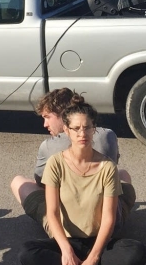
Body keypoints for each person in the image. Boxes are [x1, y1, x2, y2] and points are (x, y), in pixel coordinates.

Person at [18, 100, 146, 265]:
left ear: (94, 129)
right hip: (67, 240)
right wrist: (67, 252)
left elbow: (109, 219)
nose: (82, 134)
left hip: (99, 242)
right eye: (76, 128)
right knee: (26, 252)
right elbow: (52, 214)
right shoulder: (56, 163)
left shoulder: (107, 167)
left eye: (87, 127)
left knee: (137, 252)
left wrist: (94, 258)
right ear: (66, 130)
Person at [11, 88, 134, 230]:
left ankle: (57, 226)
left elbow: (41, 182)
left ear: (63, 115)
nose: (45, 124)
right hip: (110, 222)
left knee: (19, 182)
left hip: (67, 227)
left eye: (47, 117)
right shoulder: (108, 135)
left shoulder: (48, 146)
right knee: (122, 174)